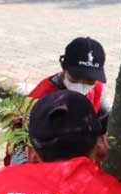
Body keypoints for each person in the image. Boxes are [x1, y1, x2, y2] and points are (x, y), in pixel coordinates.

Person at [9, 36, 111, 166]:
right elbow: (18, 154)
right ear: (64, 68)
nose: (82, 85)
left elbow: (108, 121)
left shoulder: (97, 89)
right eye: (75, 78)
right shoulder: (39, 99)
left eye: (89, 80)